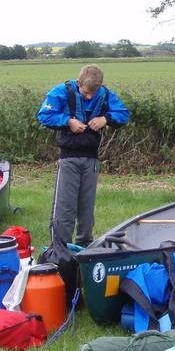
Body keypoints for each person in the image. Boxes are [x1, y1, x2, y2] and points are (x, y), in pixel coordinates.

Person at [37, 65, 130, 246]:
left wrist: (106, 119)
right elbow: (44, 115)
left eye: (93, 94)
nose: (89, 97)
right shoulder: (61, 92)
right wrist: (68, 121)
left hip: (91, 159)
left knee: (86, 209)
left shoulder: (104, 94)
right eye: (86, 93)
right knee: (65, 207)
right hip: (68, 158)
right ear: (79, 83)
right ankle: (59, 248)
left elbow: (124, 114)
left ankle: (85, 247)